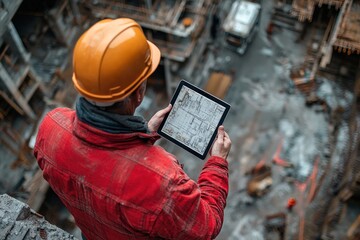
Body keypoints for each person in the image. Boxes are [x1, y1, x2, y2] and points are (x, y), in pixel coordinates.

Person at [33, 18, 231, 240]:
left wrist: (144, 134)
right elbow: (206, 226)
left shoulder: (50, 127)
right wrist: (217, 163)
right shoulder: (163, 182)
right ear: (138, 94)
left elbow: (102, 166)